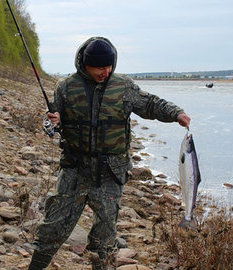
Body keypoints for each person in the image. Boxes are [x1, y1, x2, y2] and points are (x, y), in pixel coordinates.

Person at [28, 36, 190, 270]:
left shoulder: (124, 86)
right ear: (85, 64)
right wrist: (52, 122)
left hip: (110, 174)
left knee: (105, 237)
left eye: (109, 66)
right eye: (99, 67)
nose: (106, 71)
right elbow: (52, 120)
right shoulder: (66, 87)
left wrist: (176, 113)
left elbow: (151, 104)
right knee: (52, 227)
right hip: (74, 170)